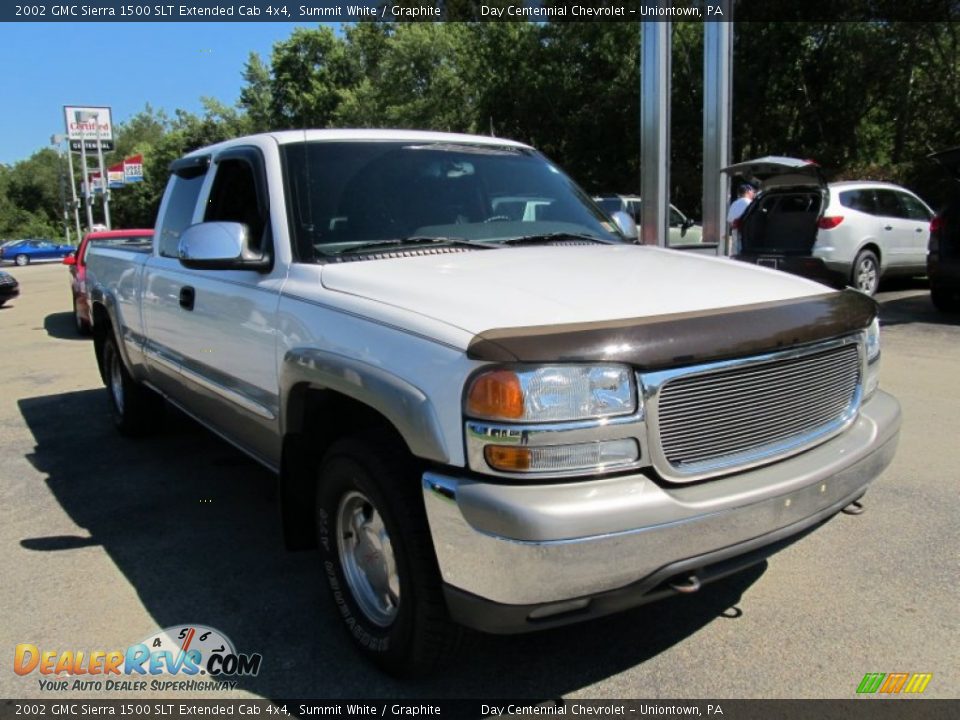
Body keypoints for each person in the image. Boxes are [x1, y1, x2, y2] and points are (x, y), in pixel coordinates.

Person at [726, 183, 756, 255]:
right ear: (748, 191)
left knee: (736, 254)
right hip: (748, 234)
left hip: (735, 232)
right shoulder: (750, 203)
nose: (754, 193)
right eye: (753, 191)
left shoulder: (734, 203)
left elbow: (729, 220)